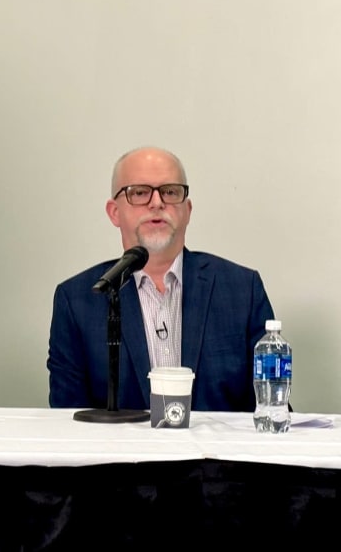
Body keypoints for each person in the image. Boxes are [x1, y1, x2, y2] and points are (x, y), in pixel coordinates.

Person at [48, 146, 275, 411]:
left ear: (187, 210)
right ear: (114, 212)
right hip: (123, 452)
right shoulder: (78, 301)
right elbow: (67, 421)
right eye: (140, 193)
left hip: (215, 453)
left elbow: (272, 406)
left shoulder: (241, 290)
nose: (157, 203)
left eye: (170, 191)